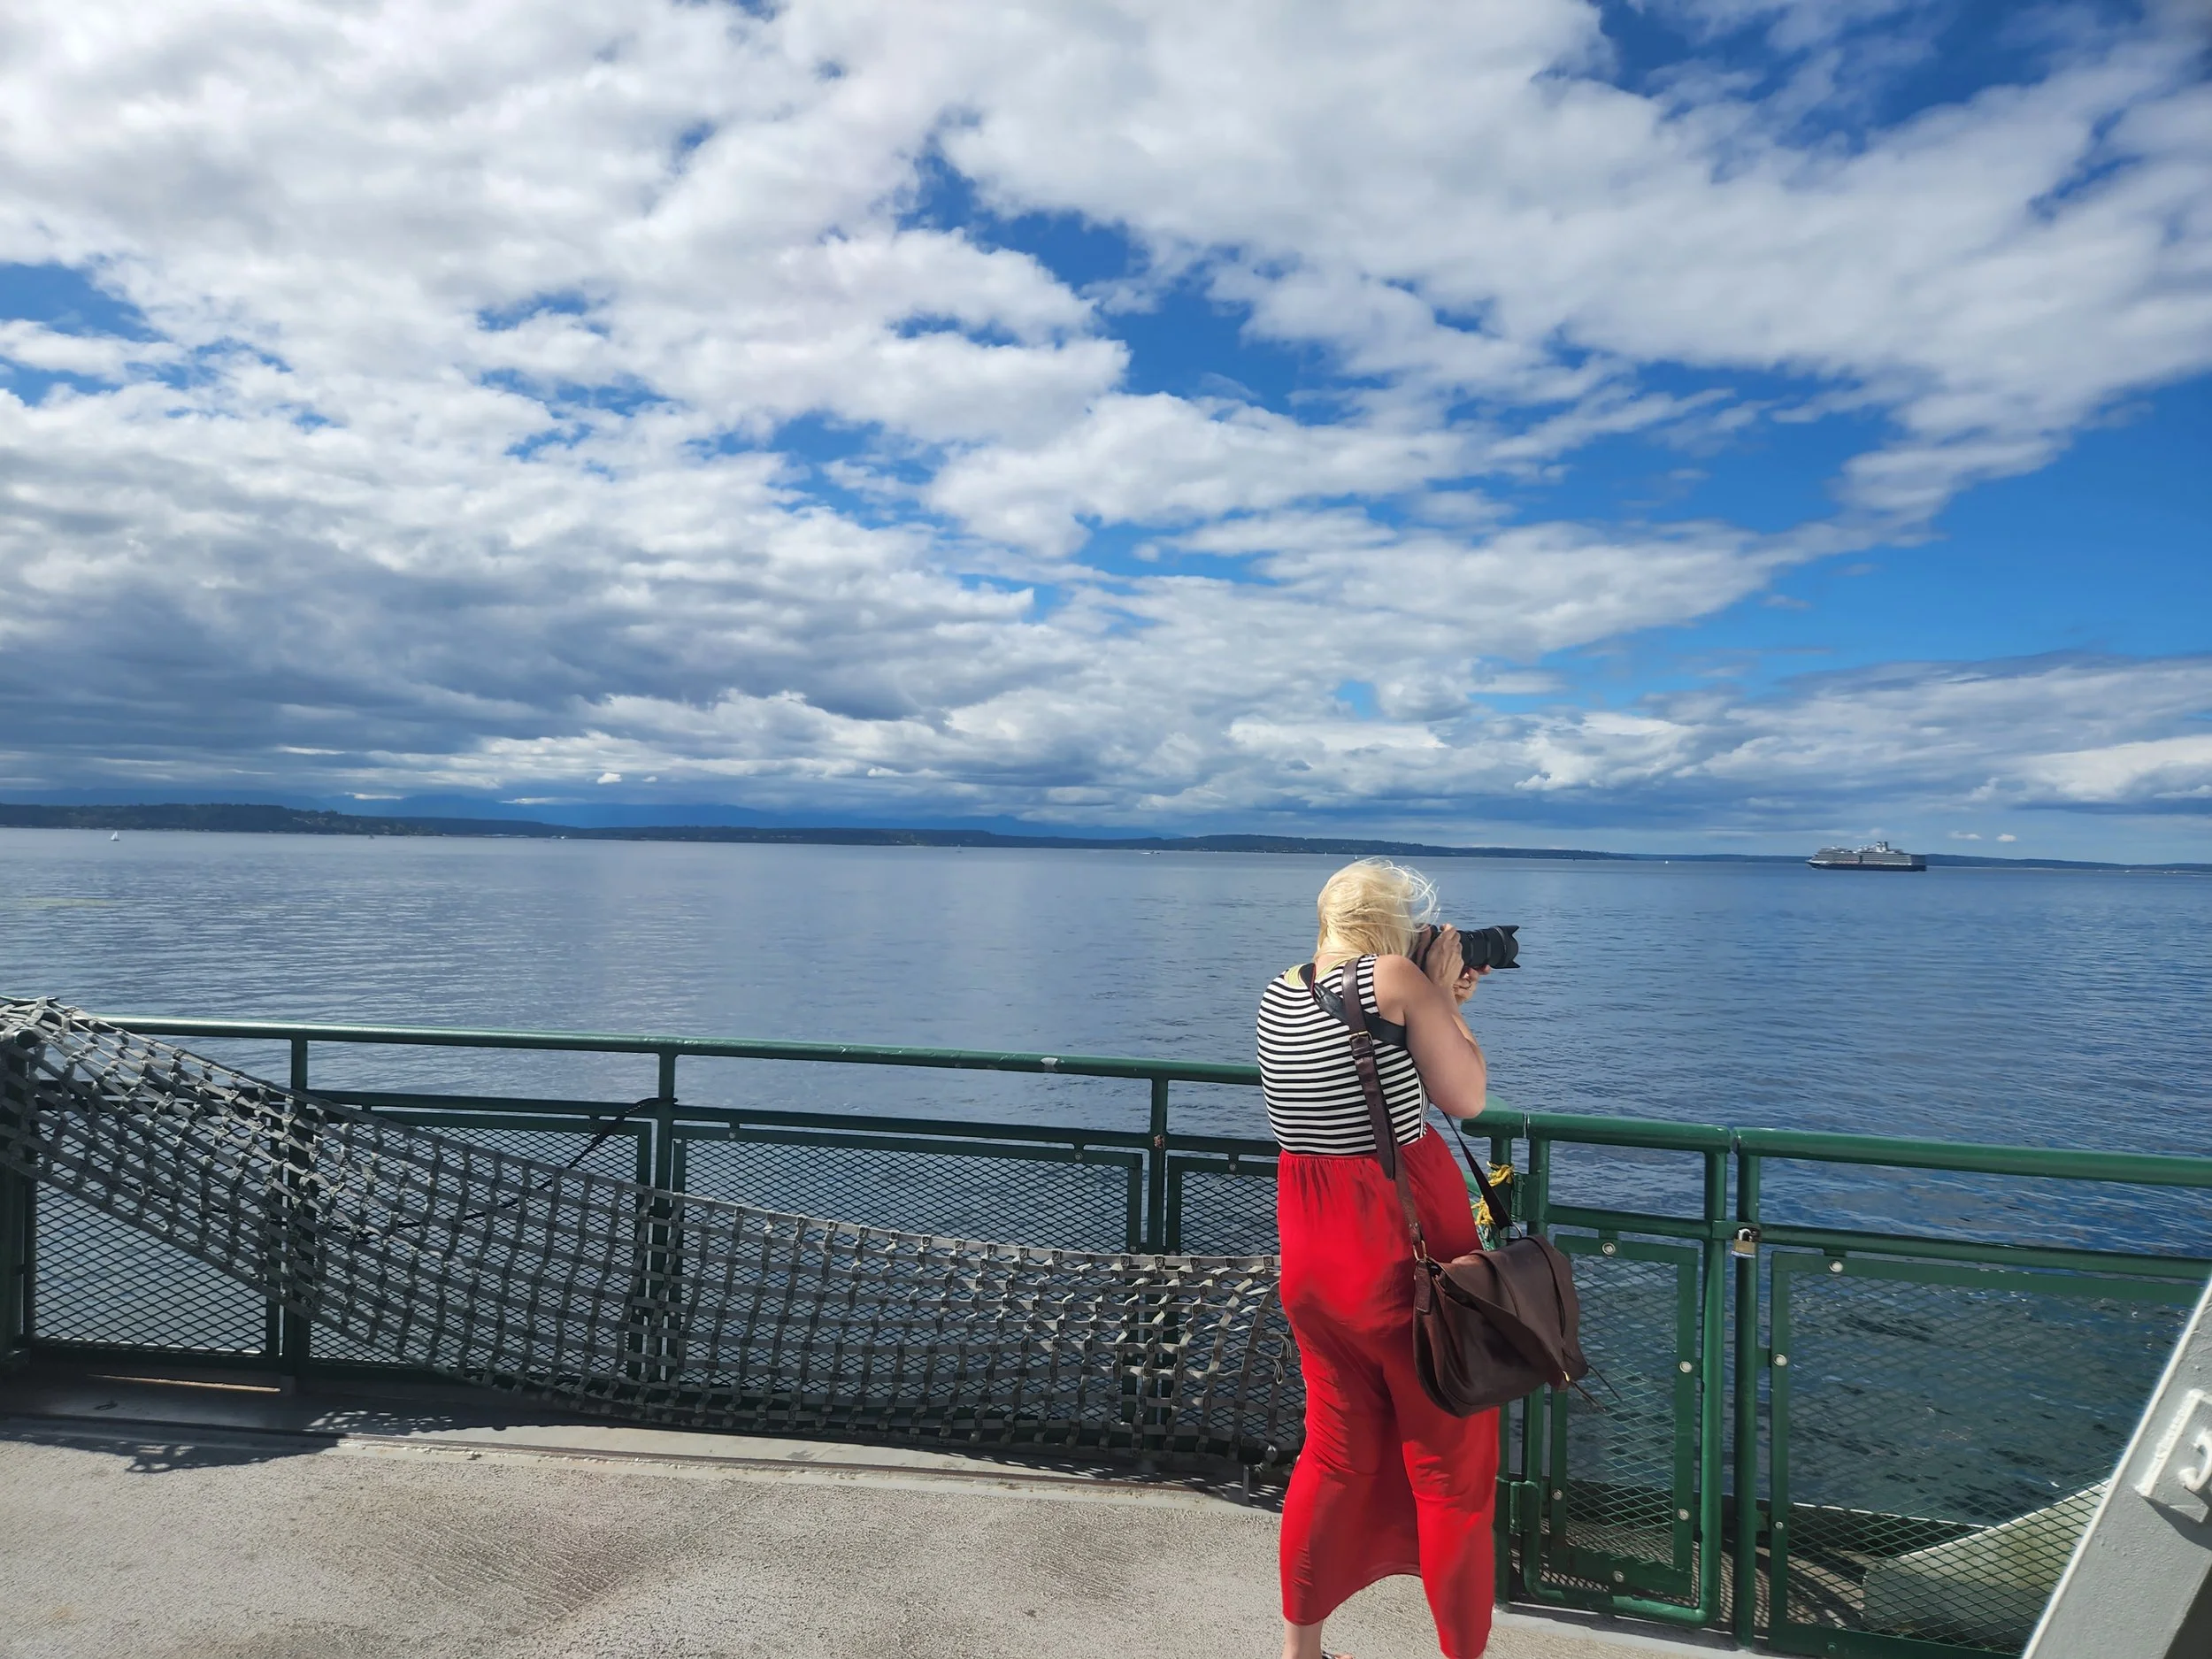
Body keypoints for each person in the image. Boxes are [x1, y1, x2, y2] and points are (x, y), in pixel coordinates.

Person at [1256, 857, 1494, 1659]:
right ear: (1395, 922)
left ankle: (1302, 1651)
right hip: (1405, 1267)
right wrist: (1450, 1007)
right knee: (1453, 1481)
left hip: (1318, 1266)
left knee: (1331, 1455)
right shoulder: (1395, 978)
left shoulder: (1279, 989)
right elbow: (1465, 1098)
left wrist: (1434, 999)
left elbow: (1367, 1086)